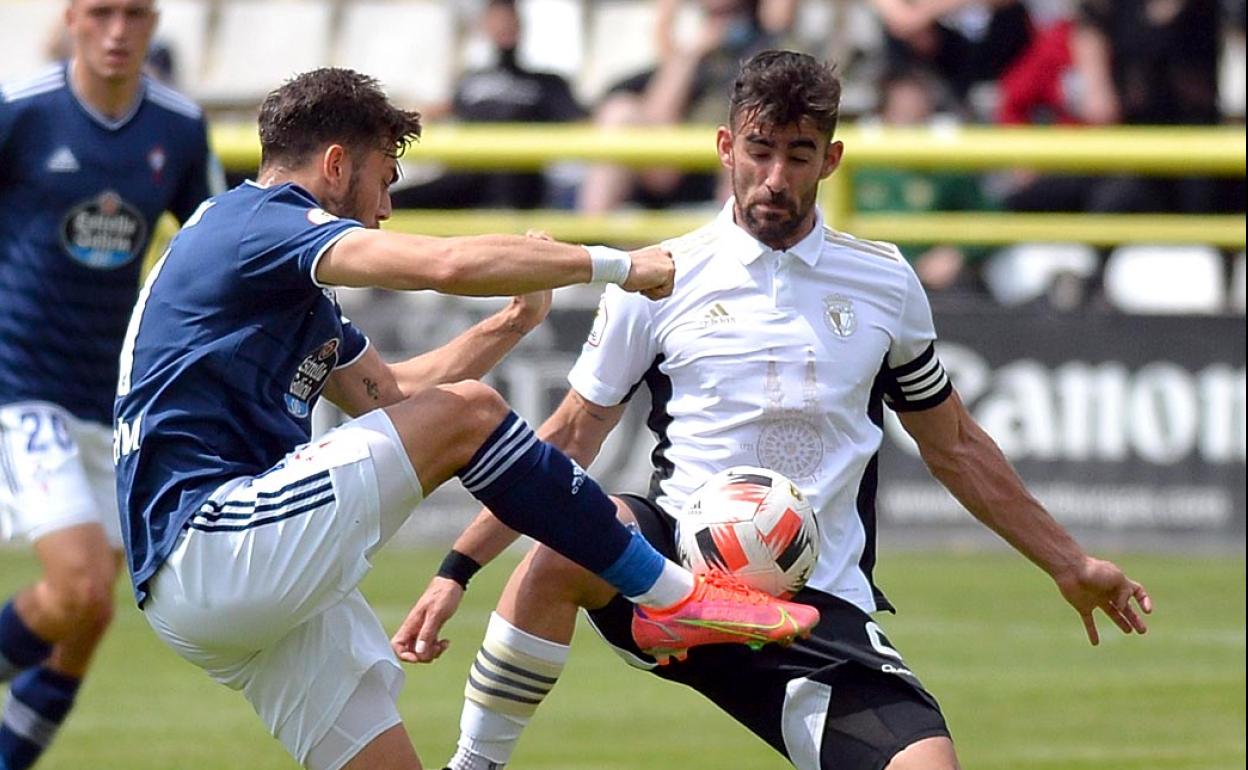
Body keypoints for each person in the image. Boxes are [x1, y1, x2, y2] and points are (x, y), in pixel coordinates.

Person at [394, 50, 1154, 770]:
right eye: (759, 150)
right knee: (573, 530)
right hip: (675, 581)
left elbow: (953, 444)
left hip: (817, 604)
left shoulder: (885, 282)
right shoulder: (659, 278)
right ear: (726, 146)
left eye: (797, 153)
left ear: (831, 159)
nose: (774, 176)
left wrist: (1069, 561)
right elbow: (564, 441)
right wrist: (456, 570)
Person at [112, 67, 819, 770]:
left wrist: (513, 319)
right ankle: (669, 594)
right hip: (213, 542)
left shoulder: (270, 270)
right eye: (385, 178)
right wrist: (620, 265)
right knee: (473, 412)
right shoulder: (255, 225)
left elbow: (391, 394)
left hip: (215, 589)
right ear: (335, 165)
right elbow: (445, 265)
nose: (387, 207)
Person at [0, 2, 220, 768]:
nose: (119, 29)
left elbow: (216, 249)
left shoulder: (179, 129)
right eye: (102, 12)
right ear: (72, 19)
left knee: (88, 622)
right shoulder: (20, 116)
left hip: (112, 399)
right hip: (20, 386)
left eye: (136, 13)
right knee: (81, 588)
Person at [578, 0, 791, 214]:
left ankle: (741, 238)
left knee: (747, 132)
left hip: (723, 164)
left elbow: (780, 20)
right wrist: (689, 55)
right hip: (672, 164)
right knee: (619, 112)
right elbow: (658, 119)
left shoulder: (768, 47)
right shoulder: (691, 51)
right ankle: (590, 234)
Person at [390, 0, 585, 211]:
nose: (503, 25)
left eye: (509, 19)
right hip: (467, 176)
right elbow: (435, 111)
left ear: (520, 23)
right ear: (486, 25)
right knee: (396, 202)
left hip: (518, 182)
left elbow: (581, 122)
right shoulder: (470, 80)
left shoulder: (546, 83)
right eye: (497, 19)